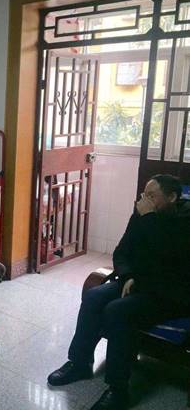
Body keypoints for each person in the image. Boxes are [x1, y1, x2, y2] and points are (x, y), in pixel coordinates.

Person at [47, 174, 190, 410]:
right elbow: (122, 251)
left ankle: (118, 389)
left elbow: (170, 258)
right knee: (94, 296)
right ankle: (80, 363)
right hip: (136, 282)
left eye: (152, 196)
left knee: (117, 311)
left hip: (169, 292)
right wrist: (128, 275)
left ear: (172, 197)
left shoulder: (183, 221)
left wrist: (149, 218)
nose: (144, 200)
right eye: (144, 194)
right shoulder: (142, 215)